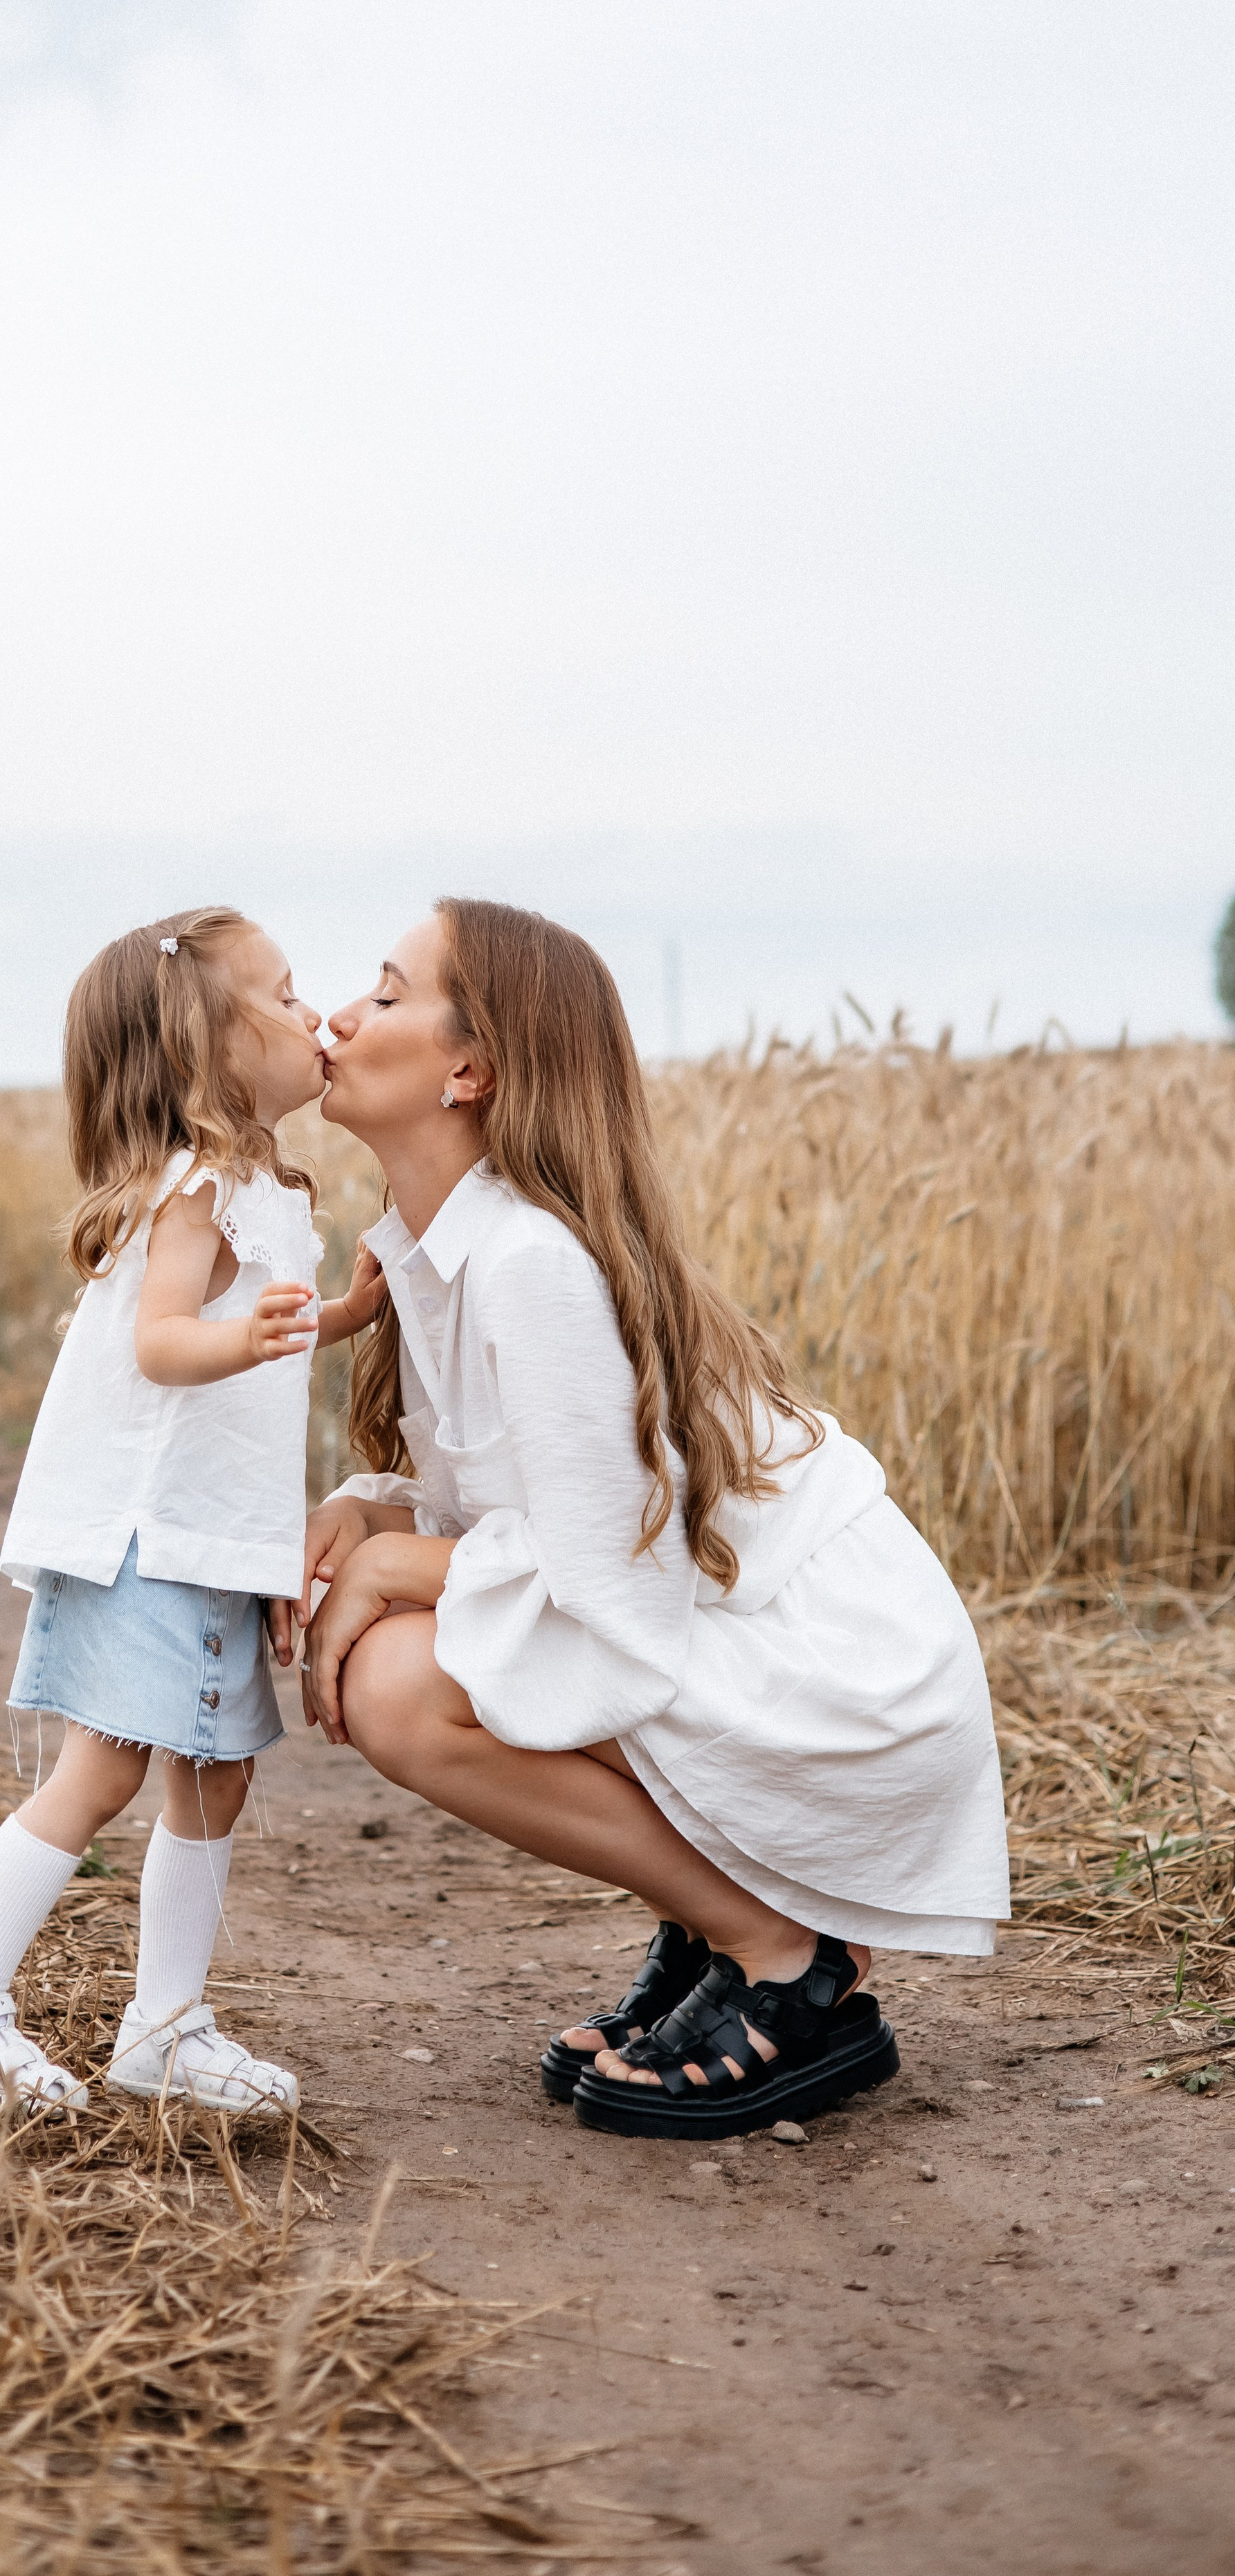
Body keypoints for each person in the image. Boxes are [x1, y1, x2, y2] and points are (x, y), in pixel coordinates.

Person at [298, 898, 1010, 2137]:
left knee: (403, 1683)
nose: (342, 1014)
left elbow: (611, 1587)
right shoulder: (443, 1250)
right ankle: (719, 1932)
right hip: (737, 1639)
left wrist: (394, 1572)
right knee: (409, 1643)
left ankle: (786, 1959)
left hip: (843, 1684)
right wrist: (372, 1520)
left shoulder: (529, 1261)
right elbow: (532, 1496)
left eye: (389, 991)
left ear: (471, 1070)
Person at [0, 907, 385, 2116]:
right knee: (100, 1775)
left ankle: (165, 2023)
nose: (315, 1015)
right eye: (282, 998)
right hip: (143, 1541)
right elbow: (169, 1342)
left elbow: (245, 1338)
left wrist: (337, 1319)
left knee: (217, 1776)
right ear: (204, 1054)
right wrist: (259, 1331)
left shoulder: (264, 1186)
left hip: (202, 1536)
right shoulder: (197, 1188)